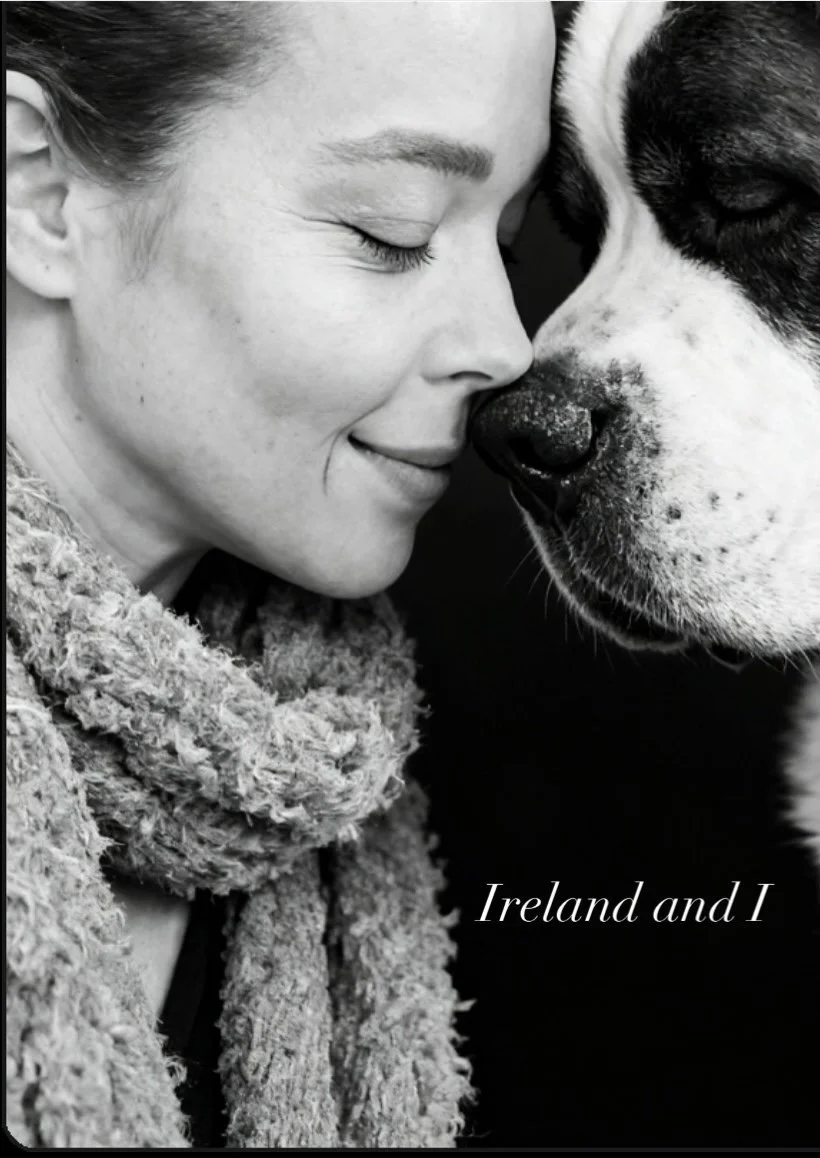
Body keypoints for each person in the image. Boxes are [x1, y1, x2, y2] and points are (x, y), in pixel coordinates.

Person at [5, 1, 554, 1147]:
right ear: (43, 195)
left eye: (502, 244)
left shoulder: (312, 754)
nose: (509, 347)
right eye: (389, 231)